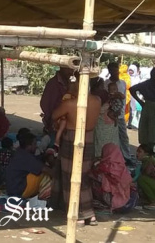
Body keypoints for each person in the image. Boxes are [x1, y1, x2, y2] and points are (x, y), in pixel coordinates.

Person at [52, 79, 100, 225]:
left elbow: (54, 115)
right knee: (84, 176)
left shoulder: (69, 104)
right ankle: (89, 213)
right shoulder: (97, 101)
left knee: (70, 176)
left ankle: (76, 213)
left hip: (72, 137)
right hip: (90, 137)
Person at [90, 143, 135, 218]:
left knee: (91, 181)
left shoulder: (102, 167)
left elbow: (94, 176)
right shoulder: (122, 167)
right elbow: (129, 182)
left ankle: (103, 206)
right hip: (127, 203)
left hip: (112, 202)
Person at [6, 131, 52, 200]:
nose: (36, 146)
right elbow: (44, 169)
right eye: (34, 144)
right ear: (28, 146)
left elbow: (36, 160)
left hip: (12, 190)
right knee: (45, 174)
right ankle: (44, 196)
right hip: (19, 192)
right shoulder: (26, 157)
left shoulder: (19, 153)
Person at [106, 62, 133, 162]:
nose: (115, 72)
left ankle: (127, 156)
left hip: (120, 114)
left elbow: (125, 97)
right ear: (109, 71)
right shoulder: (106, 83)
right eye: (112, 70)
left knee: (123, 137)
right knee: (110, 136)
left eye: (116, 69)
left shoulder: (123, 83)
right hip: (109, 114)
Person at [92, 78, 122, 157]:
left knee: (100, 144)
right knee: (110, 144)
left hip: (101, 122)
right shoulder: (104, 94)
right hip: (107, 122)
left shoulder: (91, 94)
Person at [39, 67, 73, 132]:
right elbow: (44, 103)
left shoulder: (69, 83)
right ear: (62, 67)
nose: (70, 71)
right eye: (68, 69)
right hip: (55, 124)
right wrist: (51, 118)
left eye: (72, 69)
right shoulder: (53, 83)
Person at [127, 63, 142, 129]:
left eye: (132, 70)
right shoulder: (126, 78)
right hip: (127, 96)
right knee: (127, 109)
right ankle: (128, 123)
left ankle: (132, 124)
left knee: (134, 110)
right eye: (129, 70)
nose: (130, 72)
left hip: (134, 97)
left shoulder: (138, 79)